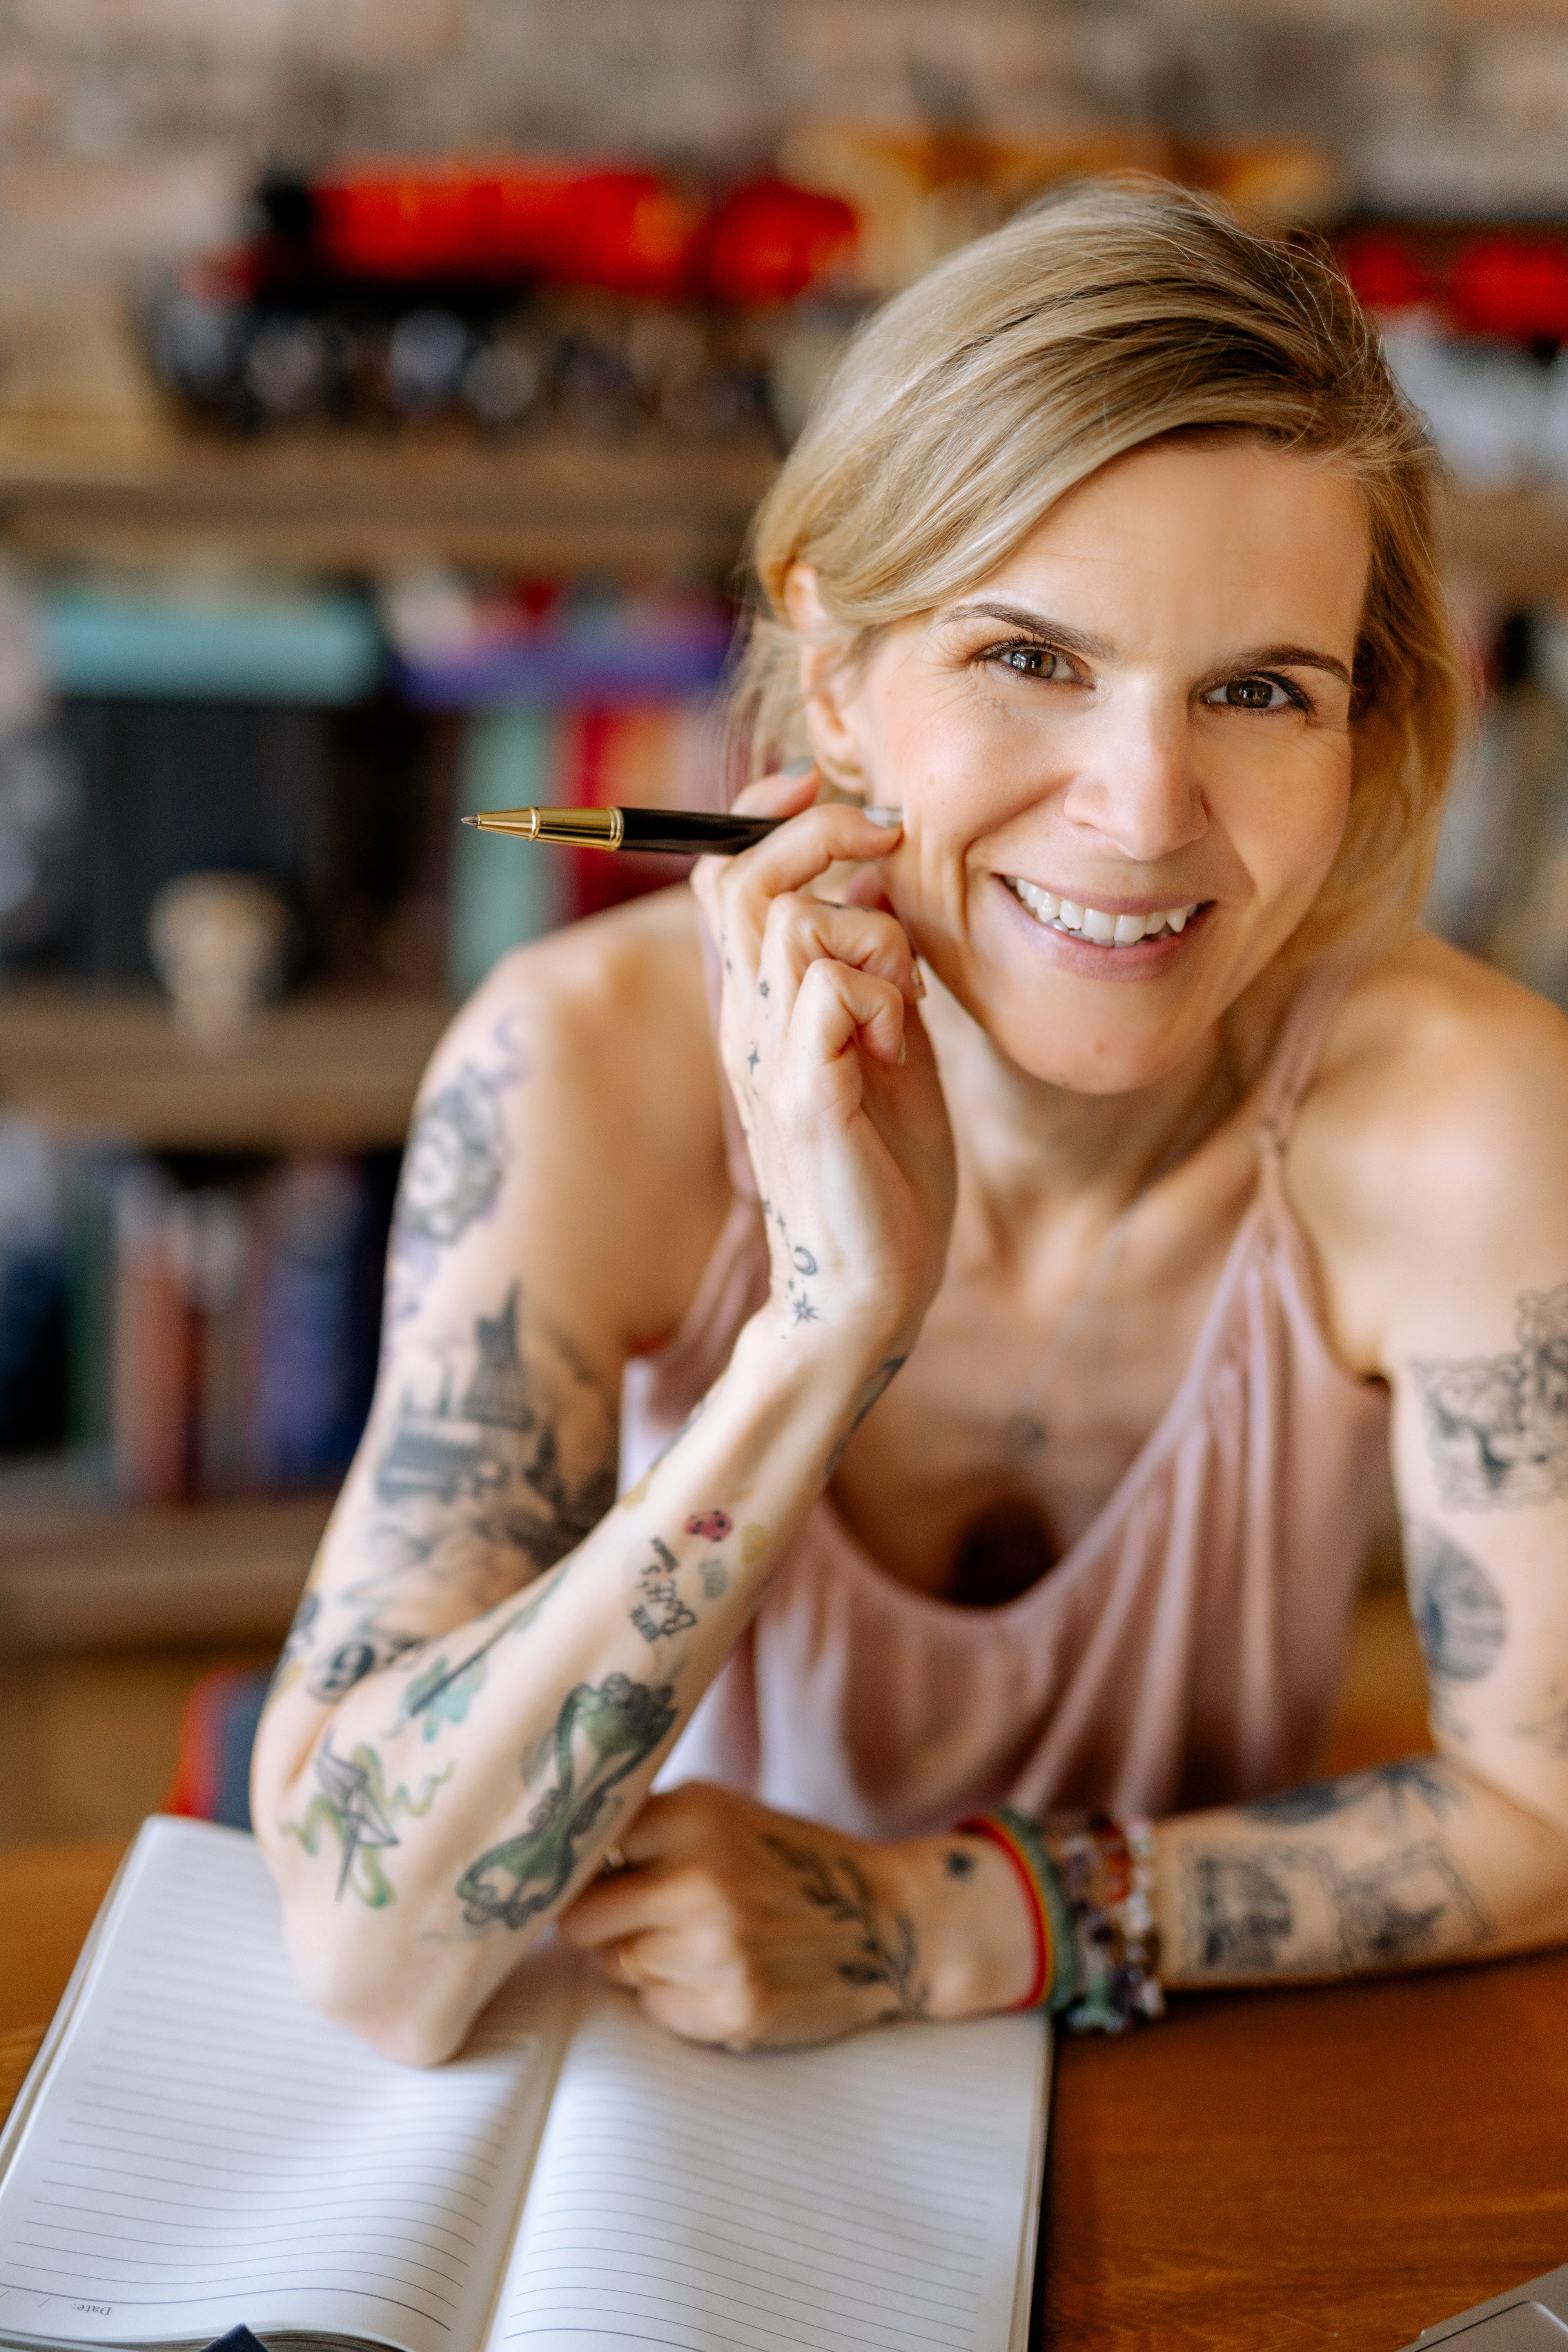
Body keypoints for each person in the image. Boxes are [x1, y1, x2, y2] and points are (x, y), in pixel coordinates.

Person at [254, 179, 1568, 2067]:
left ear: (1359, 728)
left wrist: (956, 1918)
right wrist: (821, 1332)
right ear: (839, 672)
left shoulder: (1466, 1117)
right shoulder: (580, 1067)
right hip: (656, 2101)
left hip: (1186, 2102)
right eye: (1030, 658)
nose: (1141, 812)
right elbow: (367, 1952)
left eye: (1257, 691)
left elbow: (1540, 1810)